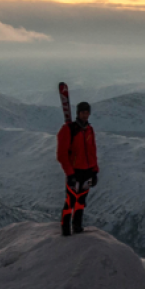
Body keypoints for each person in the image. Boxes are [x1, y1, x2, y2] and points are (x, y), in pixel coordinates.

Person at [56, 101, 98, 236]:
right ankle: (66, 229)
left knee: (81, 202)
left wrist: (94, 171)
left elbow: (92, 151)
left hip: (87, 171)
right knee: (70, 201)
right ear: (78, 113)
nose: (85, 115)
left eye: (87, 112)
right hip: (74, 171)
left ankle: (77, 226)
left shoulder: (89, 130)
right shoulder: (69, 129)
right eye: (83, 112)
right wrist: (70, 173)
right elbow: (62, 155)